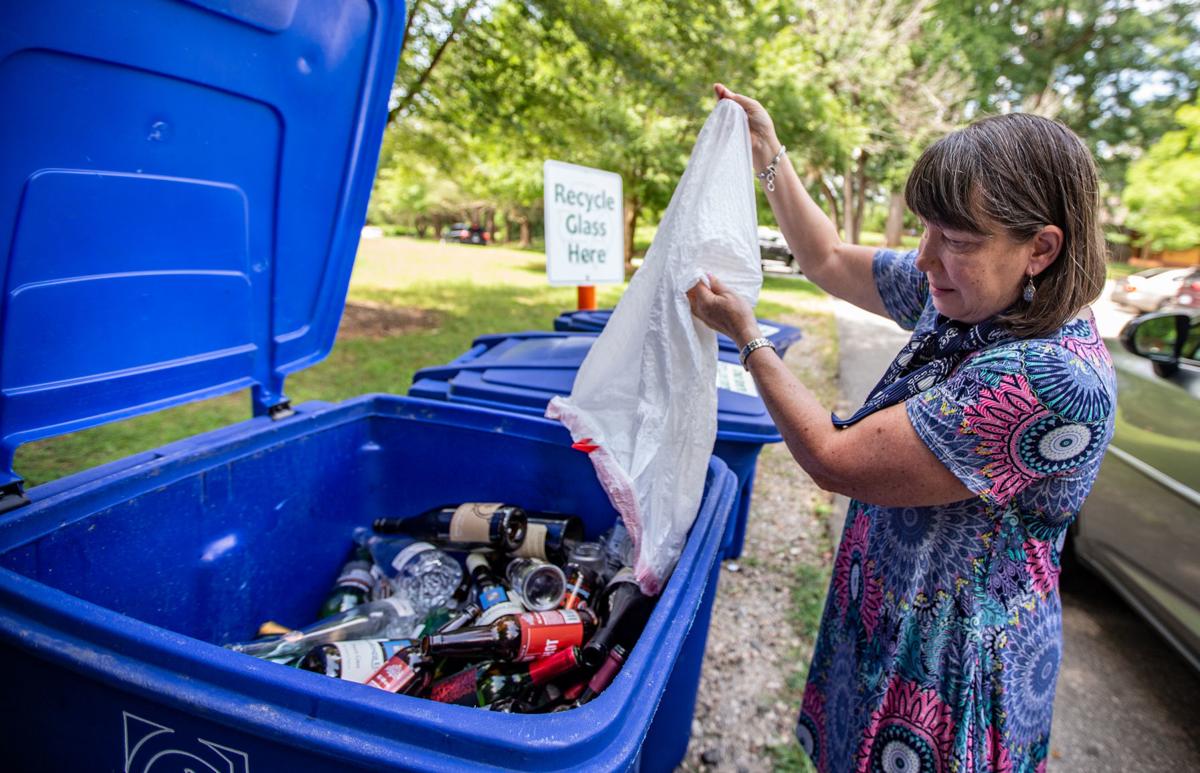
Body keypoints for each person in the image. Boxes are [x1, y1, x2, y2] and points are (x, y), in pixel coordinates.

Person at [688, 84, 1115, 773]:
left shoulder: (1053, 380)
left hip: (944, 671)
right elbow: (826, 259)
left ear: (1040, 248)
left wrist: (746, 336)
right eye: (926, 228)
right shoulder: (972, 296)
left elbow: (833, 458)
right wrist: (770, 157)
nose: (923, 257)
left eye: (955, 239)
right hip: (886, 617)